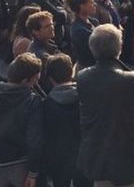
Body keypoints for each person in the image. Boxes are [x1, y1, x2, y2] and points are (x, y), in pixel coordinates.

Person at [77, 24, 134, 187]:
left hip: (99, 153)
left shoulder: (83, 77)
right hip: (129, 153)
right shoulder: (130, 79)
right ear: (119, 47)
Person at [0, 53, 43, 187]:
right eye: (35, 79)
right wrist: (33, 172)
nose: (36, 82)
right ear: (26, 80)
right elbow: (34, 139)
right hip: (20, 164)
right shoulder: (32, 101)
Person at [43, 54, 91, 187]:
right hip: (84, 155)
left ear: (50, 79)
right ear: (72, 73)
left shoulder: (46, 104)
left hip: (59, 159)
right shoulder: (85, 97)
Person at [65, 0, 99, 70]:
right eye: (91, 2)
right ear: (82, 6)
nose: (94, 4)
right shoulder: (78, 29)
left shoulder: (94, 21)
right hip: (87, 68)